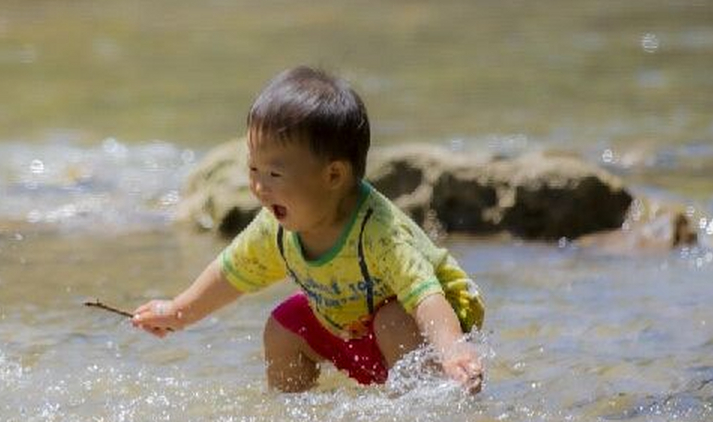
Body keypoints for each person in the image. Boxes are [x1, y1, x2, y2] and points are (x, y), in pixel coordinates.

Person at [133, 66, 485, 393]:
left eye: (274, 174)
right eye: (253, 169)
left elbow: (424, 294)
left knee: (393, 320)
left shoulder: (379, 231)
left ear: (333, 176)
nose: (258, 186)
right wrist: (179, 311)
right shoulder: (277, 229)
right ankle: (296, 414)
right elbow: (231, 272)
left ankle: (418, 408)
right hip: (355, 328)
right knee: (284, 326)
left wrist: (453, 350)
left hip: (435, 326)